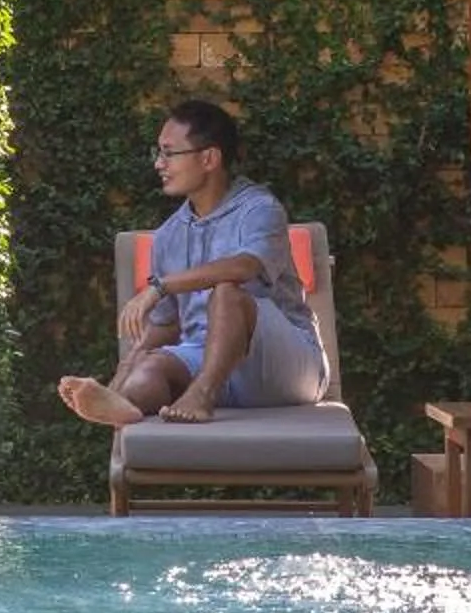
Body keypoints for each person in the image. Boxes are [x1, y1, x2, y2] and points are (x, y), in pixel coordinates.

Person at [58, 98, 327, 426]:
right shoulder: (168, 235)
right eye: (158, 153)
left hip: (284, 367)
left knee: (227, 291)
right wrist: (125, 372)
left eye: (169, 153)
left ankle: (202, 394)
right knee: (150, 370)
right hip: (206, 357)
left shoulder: (259, 209)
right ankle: (126, 405)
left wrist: (160, 286)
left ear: (209, 158)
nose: (159, 163)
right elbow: (166, 324)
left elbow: (244, 267)